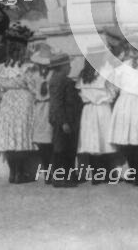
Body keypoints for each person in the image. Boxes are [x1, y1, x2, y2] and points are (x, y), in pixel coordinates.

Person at [0, 23, 36, 184]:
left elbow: (1, 85)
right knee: (21, 136)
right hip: (24, 101)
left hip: (8, 102)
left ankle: (13, 173)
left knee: (10, 137)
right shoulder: (27, 67)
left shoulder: (3, 67)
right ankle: (21, 173)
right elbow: (33, 86)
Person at [109, 38, 138, 186]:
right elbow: (114, 88)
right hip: (131, 103)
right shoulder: (129, 68)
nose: (133, 53)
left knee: (133, 139)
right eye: (132, 50)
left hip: (133, 103)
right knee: (132, 140)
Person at [76, 45, 118, 184]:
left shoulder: (84, 74)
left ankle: (96, 175)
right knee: (102, 139)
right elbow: (113, 91)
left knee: (93, 139)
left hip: (89, 109)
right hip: (102, 108)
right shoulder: (106, 71)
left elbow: (81, 93)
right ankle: (104, 174)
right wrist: (107, 98)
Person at [49, 52, 83, 188]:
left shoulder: (58, 78)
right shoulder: (60, 80)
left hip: (65, 118)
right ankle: (59, 178)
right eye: (68, 65)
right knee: (62, 149)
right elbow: (57, 102)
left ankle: (69, 175)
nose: (69, 67)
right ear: (62, 66)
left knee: (67, 148)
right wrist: (63, 122)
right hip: (63, 120)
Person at [30, 47, 54, 182]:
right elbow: (33, 91)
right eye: (41, 65)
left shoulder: (52, 75)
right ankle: (46, 171)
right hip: (40, 108)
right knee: (42, 143)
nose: (43, 67)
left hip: (49, 107)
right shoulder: (34, 76)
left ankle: (51, 171)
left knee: (50, 141)